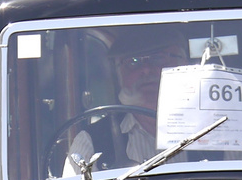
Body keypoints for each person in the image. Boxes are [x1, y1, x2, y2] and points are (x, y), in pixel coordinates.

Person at [67, 29, 189, 171]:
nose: (146, 70)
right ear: (119, 74)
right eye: (133, 62)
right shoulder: (91, 142)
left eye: (158, 58)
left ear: (184, 64)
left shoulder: (215, 131)